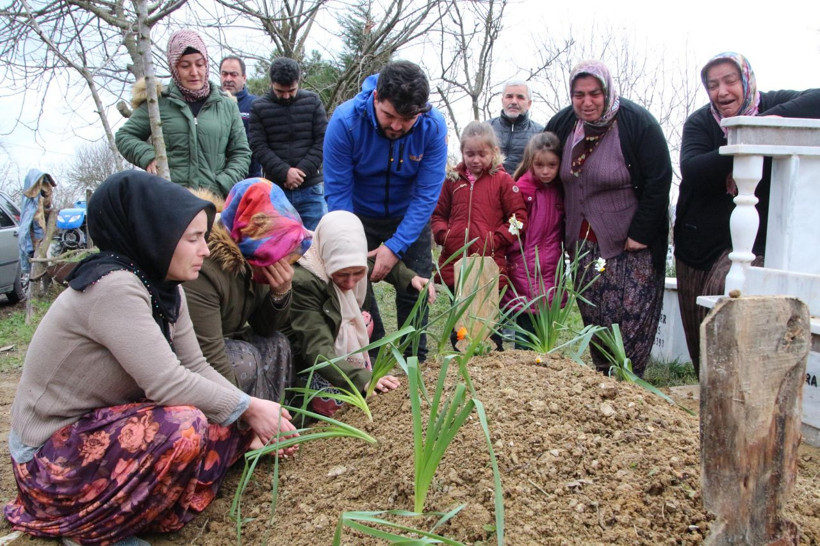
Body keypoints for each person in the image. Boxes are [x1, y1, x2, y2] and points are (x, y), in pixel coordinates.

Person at [4, 171, 296, 545]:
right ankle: (88, 529)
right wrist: (249, 407)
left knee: (222, 421)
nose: (205, 250)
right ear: (154, 236)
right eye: (193, 239)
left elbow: (198, 367)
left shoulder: (164, 286)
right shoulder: (113, 286)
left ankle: (135, 507)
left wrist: (244, 421)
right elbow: (167, 381)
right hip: (49, 460)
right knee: (187, 425)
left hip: (100, 432)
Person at [674, 52, 820, 375]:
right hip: (699, 245)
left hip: (750, 245)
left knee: (732, 328)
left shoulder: (772, 104)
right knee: (701, 339)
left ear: (747, 80)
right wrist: (744, 144)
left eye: (730, 81)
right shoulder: (701, 122)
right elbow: (694, 169)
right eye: (713, 85)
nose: (722, 92)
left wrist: (765, 123)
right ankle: (707, 403)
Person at [545, 59, 672, 377]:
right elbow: (540, 167)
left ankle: (631, 389)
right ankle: (604, 390)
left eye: (594, 93)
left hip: (631, 247)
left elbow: (659, 179)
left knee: (630, 328)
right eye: (579, 94)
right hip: (583, 245)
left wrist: (641, 233)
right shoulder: (563, 125)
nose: (587, 102)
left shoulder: (636, 123)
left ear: (607, 91)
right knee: (596, 324)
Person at [323, 60, 448, 362]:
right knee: (359, 294)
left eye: (407, 120)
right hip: (358, 217)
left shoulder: (433, 127)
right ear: (376, 97)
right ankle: (372, 364)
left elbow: (426, 194)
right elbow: (338, 194)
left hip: (409, 217)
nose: (396, 126)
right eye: (389, 115)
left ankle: (415, 363)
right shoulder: (345, 122)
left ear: (422, 112)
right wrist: (353, 242)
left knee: (416, 293)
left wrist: (395, 246)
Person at [283, 210, 434, 417]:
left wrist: (410, 278)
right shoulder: (305, 281)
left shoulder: (353, 261)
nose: (351, 282)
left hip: (336, 355)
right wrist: (363, 378)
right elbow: (317, 349)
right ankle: (315, 410)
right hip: (307, 360)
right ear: (327, 260)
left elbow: (376, 265)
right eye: (342, 274)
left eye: (358, 273)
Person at [184, 178, 312, 403]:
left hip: (229, 340)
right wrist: (250, 413)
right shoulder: (203, 269)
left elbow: (266, 328)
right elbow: (208, 355)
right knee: (245, 358)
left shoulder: (256, 256)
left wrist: (279, 293)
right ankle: (249, 434)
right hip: (193, 359)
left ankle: (283, 424)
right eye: (276, 251)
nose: (283, 260)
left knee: (278, 344)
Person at [115, 30, 251, 198]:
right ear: (174, 67)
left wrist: (222, 184)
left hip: (215, 205)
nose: (194, 72)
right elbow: (124, 136)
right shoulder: (158, 102)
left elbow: (241, 153)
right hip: (170, 201)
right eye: (185, 66)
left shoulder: (226, 105)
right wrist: (148, 156)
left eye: (200, 64)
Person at [431, 121, 527, 351]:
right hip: (457, 263)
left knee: (489, 325)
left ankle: (491, 375)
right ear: (462, 152)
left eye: (482, 154)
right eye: (469, 154)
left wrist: (497, 240)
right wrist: (444, 235)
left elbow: (519, 219)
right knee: (460, 324)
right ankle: (460, 371)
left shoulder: (503, 181)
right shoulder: (452, 180)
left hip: (489, 265)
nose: (475, 160)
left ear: (494, 152)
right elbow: (438, 214)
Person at [500, 132, 565, 349]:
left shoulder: (561, 190)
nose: (546, 171)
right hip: (525, 268)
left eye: (552, 165)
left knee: (546, 332)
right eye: (539, 165)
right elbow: (513, 223)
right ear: (530, 162)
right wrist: (517, 250)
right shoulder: (521, 189)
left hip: (551, 267)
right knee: (526, 328)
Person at [249, 57, 328, 230]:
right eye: (279, 91)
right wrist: (285, 172)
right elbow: (258, 146)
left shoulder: (313, 101)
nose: (286, 96)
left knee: (316, 245)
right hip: (275, 189)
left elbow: (323, 140)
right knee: (277, 247)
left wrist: (301, 172)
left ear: (298, 82)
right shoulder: (258, 107)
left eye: (291, 90)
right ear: (271, 83)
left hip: (311, 187)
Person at [488, 80, 544, 174]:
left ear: (529, 103)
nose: (514, 101)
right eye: (509, 96)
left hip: (524, 188)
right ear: (502, 100)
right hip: (490, 188)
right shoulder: (486, 129)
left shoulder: (540, 133)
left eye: (520, 97)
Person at [220, 56, 263, 178]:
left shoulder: (256, 105)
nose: (228, 79)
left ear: (244, 78)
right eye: (224, 74)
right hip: (216, 179)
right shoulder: (211, 105)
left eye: (234, 74)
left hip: (249, 178)